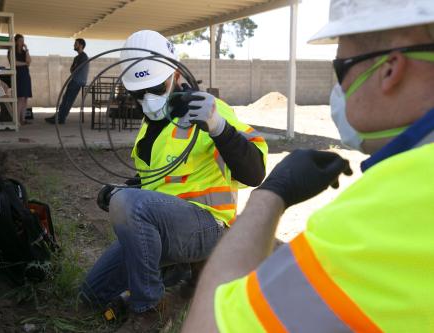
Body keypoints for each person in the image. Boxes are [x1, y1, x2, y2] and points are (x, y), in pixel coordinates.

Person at [183, 0, 434, 332]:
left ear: (391, 70)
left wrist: (271, 194)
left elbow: (208, 326)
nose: (338, 90)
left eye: (341, 69)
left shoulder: (385, 214)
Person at [80, 30, 268, 330]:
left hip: (209, 227)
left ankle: (149, 309)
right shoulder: (149, 127)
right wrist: (123, 189)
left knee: (128, 205)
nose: (148, 99)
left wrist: (218, 126)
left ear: (176, 74)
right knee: (92, 293)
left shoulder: (209, 111)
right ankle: (182, 276)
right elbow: (156, 183)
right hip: (163, 229)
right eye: (139, 93)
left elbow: (255, 172)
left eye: (156, 87)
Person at [45, 38, 89, 124]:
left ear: (81, 45)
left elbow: (76, 68)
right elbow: (72, 69)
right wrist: (74, 67)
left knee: (68, 99)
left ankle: (60, 118)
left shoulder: (83, 56)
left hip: (78, 81)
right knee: (65, 98)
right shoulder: (77, 57)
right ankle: (58, 117)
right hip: (75, 79)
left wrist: (74, 67)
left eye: (76, 43)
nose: (74, 45)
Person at [8, 34, 32, 125]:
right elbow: (14, 63)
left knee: (25, 98)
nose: (22, 42)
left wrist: (27, 50)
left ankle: (23, 119)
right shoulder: (11, 51)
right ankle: (17, 120)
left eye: (23, 41)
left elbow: (29, 61)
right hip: (18, 76)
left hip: (26, 75)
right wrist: (25, 64)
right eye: (20, 41)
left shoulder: (23, 52)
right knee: (20, 98)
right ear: (16, 41)